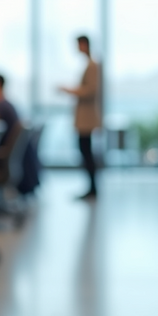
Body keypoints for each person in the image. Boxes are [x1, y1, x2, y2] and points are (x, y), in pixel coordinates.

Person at [59, 35, 102, 200]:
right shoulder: (89, 64)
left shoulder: (92, 65)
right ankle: (91, 188)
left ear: (84, 45)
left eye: (78, 45)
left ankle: (92, 188)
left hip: (87, 117)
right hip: (85, 116)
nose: (76, 48)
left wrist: (70, 91)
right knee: (85, 151)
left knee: (86, 152)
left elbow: (91, 90)